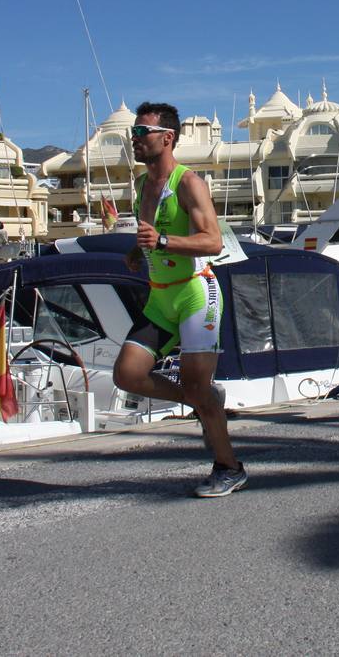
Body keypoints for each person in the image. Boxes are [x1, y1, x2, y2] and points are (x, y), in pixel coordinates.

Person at [111, 102, 245, 497]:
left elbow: (213, 240)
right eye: (133, 132)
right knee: (128, 375)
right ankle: (204, 398)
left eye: (142, 132)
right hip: (159, 296)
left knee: (195, 386)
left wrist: (164, 241)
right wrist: (140, 253)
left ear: (166, 138)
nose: (134, 139)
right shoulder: (140, 186)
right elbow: (150, 235)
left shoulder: (188, 183)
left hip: (194, 293)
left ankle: (229, 467)